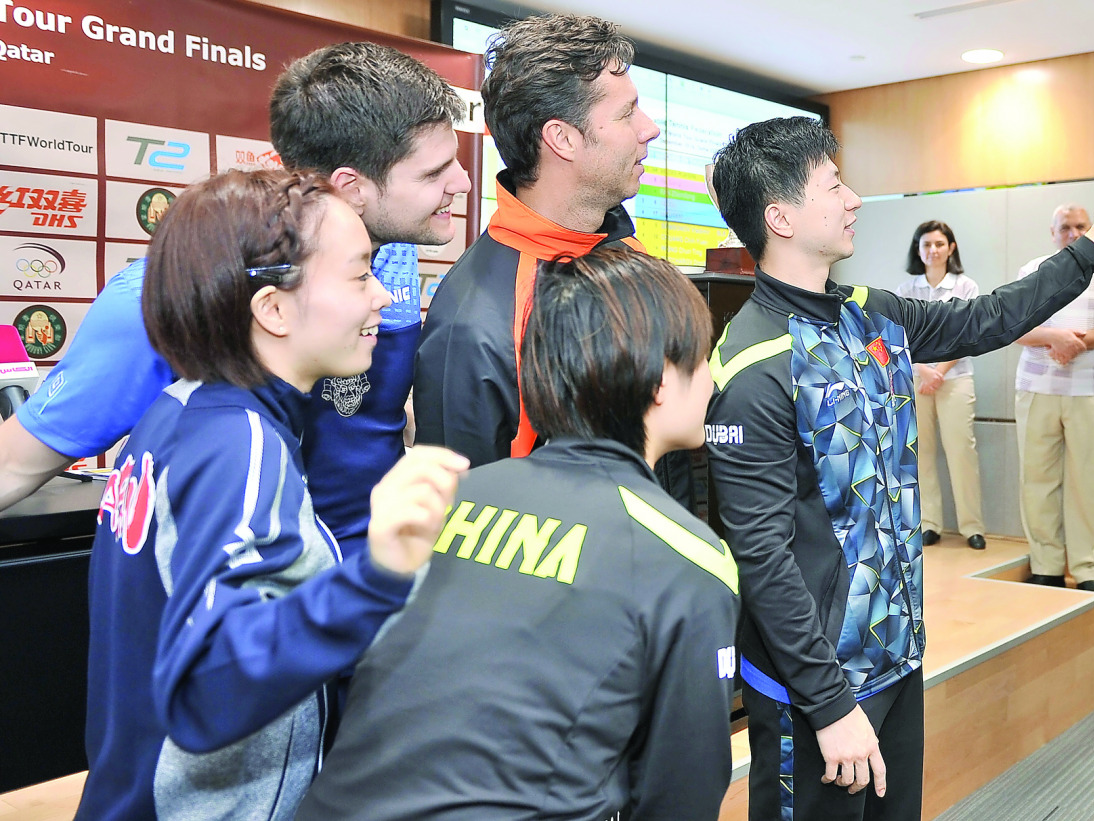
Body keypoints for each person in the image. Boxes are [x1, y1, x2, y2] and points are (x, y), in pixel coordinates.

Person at [704, 116, 1094, 821]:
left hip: (897, 654)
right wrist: (828, 705)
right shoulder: (750, 365)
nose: (854, 200)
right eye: (835, 186)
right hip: (813, 689)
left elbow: (989, 318)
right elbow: (762, 558)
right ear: (780, 215)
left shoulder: (870, 313)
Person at [75, 169, 467, 820]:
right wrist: (376, 576)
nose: (381, 298)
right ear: (274, 309)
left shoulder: (179, 413)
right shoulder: (242, 447)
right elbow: (207, 687)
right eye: (358, 275)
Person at [297, 247, 740, 821]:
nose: (712, 380)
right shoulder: (691, 559)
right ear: (660, 381)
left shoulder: (448, 498)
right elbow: (679, 793)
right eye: (703, 360)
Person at [0, 42, 470, 558]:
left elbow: (363, 424)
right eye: (434, 172)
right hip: (257, 608)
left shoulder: (395, 250)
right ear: (351, 187)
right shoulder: (173, 295)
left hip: (376, 594)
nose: (463, 182)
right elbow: (16, 464)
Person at [412, 14, 684, 488]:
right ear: (562, 139)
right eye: (627, 114)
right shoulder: (477, 323)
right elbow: (469, 525)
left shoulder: (630, 251)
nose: (650, 128)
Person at [1014, 204, 1094, 592]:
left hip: (1092, 391)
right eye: (1064, 227)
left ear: (1091, 227)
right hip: (1036, 389)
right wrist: (1056, 338)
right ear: (1053, 233)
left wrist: (1076, 343)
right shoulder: (1034, 269)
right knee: (1037, 480)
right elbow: (1015, 327)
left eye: (1079, 225)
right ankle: (1046, 566)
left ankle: (1087, 571)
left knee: (1090, 483)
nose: (1072, 232)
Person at [893, 220, 986, 550]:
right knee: (922, 454)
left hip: (955, 378)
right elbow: (896, 339)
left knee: (962, 452)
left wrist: (940, 372)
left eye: (939, 244)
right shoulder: (905, 291)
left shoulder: (966, 287)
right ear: (918, 250)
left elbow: (970, 335)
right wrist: (922, 370)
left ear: (951, 248)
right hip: (916, 381)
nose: (933, 250)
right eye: (926, 245)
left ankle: (971, 527)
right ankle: (929, 522)